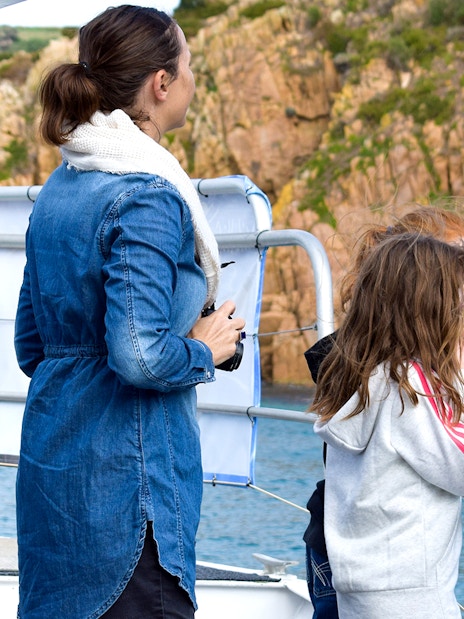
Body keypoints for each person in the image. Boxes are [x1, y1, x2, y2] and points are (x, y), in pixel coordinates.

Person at [14, 6, 245, 618]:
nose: (194, 80)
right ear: (161, 84)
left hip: (53, 478)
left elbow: (32, 346)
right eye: (188, 66)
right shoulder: (146, 195)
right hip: (127, 495)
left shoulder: (61, 188)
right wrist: (204, 348)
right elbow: (140, 355)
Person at [303, 205, 464, 618]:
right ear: (434, 309)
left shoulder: (360, 376)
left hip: (360, 590)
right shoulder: (414, 389)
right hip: (413, 596)